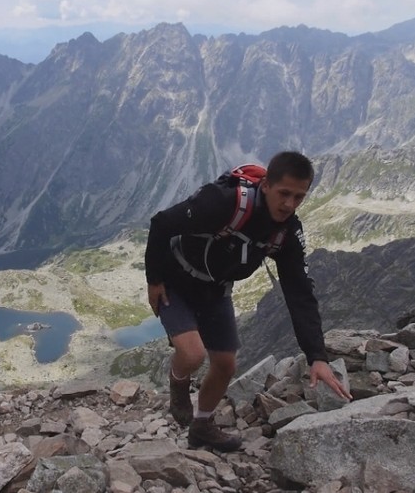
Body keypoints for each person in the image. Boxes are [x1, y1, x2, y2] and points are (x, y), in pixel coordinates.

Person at [144, 150, 352, 452]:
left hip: (216, 289)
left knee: (226, 365)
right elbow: (162, 223)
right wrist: (154, 279)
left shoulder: (287, 234)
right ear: (265, 185)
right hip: (175, 280)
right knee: (191, 354)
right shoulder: (223, 202)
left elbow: (299, 293)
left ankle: (202, 427)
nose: (289, 204)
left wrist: (316, 356)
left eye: (299, 197)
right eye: (283, 193)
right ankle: (178, 382)